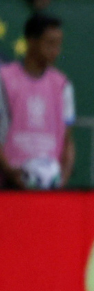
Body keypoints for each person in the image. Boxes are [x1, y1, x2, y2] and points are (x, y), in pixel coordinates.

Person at [0, 11, 75, 190]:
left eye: (58, 44)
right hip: (9, 182)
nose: (55, 50)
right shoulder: (4, 79)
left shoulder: (62, 85)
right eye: (50, 43)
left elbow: (68, 140)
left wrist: (63, 177)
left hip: (49, 185)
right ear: (31, 42)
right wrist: (10, 172)